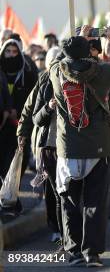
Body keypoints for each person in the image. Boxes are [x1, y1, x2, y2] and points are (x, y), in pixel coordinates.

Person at [49, 25, 110, 267]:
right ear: (90, 51)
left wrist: (77, 38)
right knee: (95, 203)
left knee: (69, 202)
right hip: (99, 147)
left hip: (67, 148)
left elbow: (56, 60)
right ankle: (92, 253)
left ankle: (73, 250)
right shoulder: (102, 72)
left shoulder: (56, 72)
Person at [30, 47, 63, 244]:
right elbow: (35, 117)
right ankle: (57, 229)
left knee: (69, 191)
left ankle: (72, 231)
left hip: (74, 147)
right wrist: (48, 107)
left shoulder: (79, 83)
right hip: (50, 146)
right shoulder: (45, 85)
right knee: (53, 192)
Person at [0, 39, 37, 182]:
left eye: (15, 52)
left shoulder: (27, 73)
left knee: (15, 165)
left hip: (19, 125)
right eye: (8, 51)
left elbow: (32, 97)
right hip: (2, 123)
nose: (11, 55)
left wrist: (18, 110)